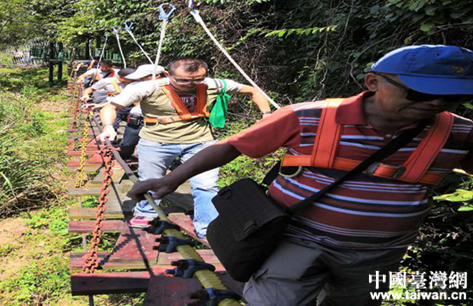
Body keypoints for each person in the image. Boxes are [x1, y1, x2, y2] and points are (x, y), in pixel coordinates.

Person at [127, 45, 473, 305]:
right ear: (373, 82)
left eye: (454, 97)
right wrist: (171, 180)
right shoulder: (309, 116)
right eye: (420, 93)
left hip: (380, 252)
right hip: (299, 241)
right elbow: (232, 146)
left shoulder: (461, 133)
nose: (436, 104)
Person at [98, 58, 271, 236]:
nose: (190, 84)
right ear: (168, 74)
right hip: (156, 142)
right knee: (150, 180)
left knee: (206, 185)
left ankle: (207, 227)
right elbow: (110, 107)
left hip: (200, 142)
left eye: (197, 80)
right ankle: (147, 212)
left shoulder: (214, 84)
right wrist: (108, 127)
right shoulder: (149, 88)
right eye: (182, 80)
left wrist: (267, 114)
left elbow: (253, 91)